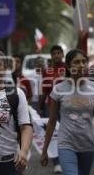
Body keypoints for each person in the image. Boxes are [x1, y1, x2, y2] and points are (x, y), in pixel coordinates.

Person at [41, 49, 94, 175]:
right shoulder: (58, 89)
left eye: (84, 62)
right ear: (68, 66)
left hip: (89, 144)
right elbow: (52, 122)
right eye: (76, 62)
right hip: (66, 144)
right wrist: (45, 150)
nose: (81, 65)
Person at [38, 45, 66, 173]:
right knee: (54, 134)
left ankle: (66, 157)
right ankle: (57, 161)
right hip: (51, 107)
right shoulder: (47, 71)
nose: (56, 55)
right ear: (51, 56)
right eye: (53, 53)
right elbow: (44, 90)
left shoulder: (68, 68)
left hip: (67, 107)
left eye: (58, 53)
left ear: (62, 55)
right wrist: (39, 106)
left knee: (65, 133)